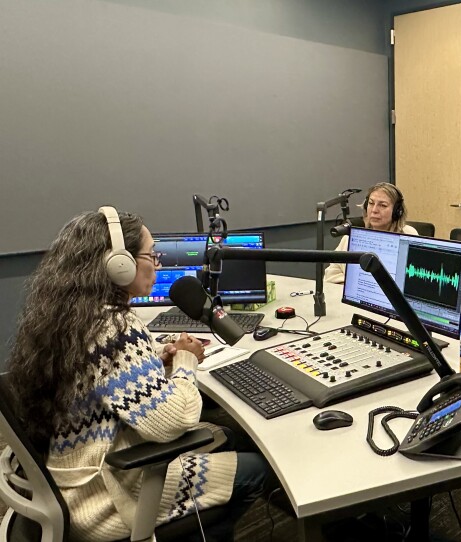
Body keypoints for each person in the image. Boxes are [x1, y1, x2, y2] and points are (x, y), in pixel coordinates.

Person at [7, 207, 270, 542]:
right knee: (258, 471)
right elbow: (174, 421)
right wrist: (186, 363)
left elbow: (102, 382)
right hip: (109, 497)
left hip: (72, 481)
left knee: (228, 436)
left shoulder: (71, 318)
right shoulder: (114, 328)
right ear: (119, 264)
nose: (157, 264)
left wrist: (155, 363)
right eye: (151, 255)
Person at [324, 182, 419, 283]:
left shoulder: (408, 234)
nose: (374, 210)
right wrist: (355, 286)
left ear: (397, 211)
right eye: (371, 203)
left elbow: (415, 278)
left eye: (382, 205)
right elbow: (331, 275)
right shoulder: (350, 236)